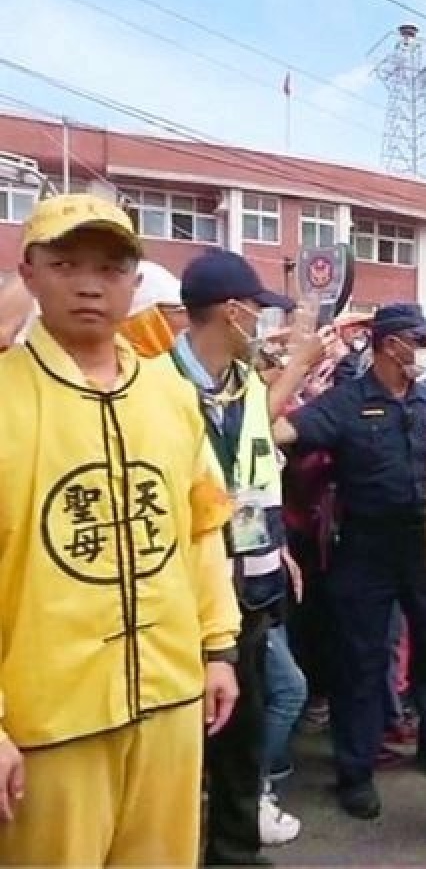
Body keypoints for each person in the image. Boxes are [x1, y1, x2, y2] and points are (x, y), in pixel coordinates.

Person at [0, 194, 240, 865]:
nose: (89, 284)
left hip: (170, 697)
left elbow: (202, 529)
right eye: (66, 264)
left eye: (110, 268)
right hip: (50, 718)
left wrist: (218, 648)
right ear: (29, 272)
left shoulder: (170, 395)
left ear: (134, 283)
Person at [274, 303, 426, 819]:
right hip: (365, 547)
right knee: (362, 663)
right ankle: (355, 771)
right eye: (419, 341)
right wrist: (294, 368)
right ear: (391, 344)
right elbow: (279, 432)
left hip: (423, 543)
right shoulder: (345, 402)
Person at [168, 249, 301, 863]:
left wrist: (280, 550)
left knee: (241, 737)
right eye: (256, 309)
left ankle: (233, 853)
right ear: (231, 311)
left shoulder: (246, 386)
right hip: (184, 593)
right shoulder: (157, 384)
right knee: (181, 742)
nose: (261, 322)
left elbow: (259, 478)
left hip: (249, 589)